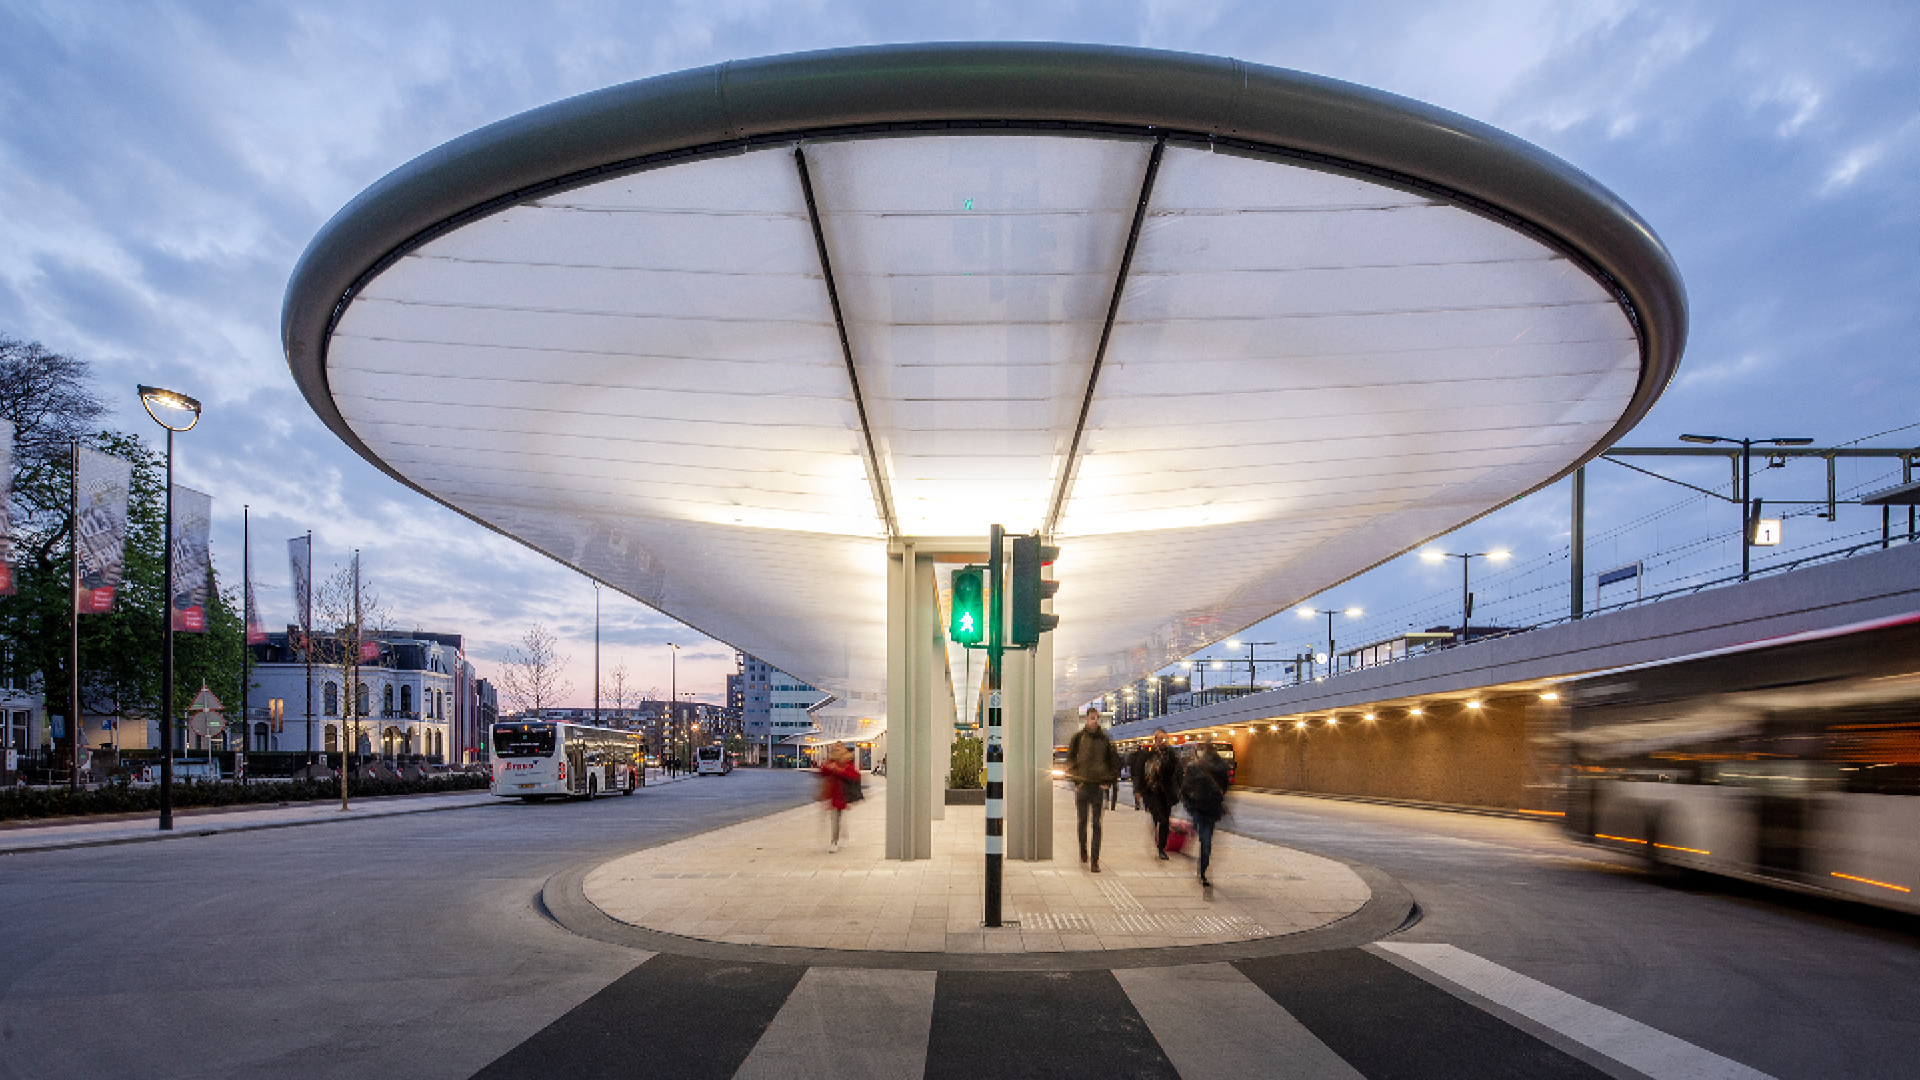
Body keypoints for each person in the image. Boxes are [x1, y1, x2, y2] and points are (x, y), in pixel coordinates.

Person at [1065, 705, 1120, 872]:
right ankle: (1083, 850)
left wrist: (1108, 781)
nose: (1095, 722)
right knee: (1082, 821)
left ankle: (1095, 860)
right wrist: (1076, 781)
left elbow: (1114, 762)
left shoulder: (1105, 740)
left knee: (1096, 823)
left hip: (1097, 787)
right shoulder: (1078, 738)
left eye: (1097, 718)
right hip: (1082, 787)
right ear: (1086, 719)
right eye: (1092, 718)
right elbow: (1070, 761)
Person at [1181, 744, 1231, 888]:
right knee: (1205, 839)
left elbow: (1225, 787)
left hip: (1208, 810)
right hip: (1200, 809)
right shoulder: (1195, 767)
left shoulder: (1217, 768)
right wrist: (1191, 807)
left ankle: (1202, 870)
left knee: (1206, 841)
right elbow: (1185, 790)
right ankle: (1202, 870)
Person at [1130, 728, 1181, 859]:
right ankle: (1157, 831)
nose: (1162, 741)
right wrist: (1137, 790)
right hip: (1151, 792)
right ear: (1155, 740)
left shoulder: (1170, 754)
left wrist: (1161, 770)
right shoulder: (1147, 754)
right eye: (1159, 739)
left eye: (1164, 739)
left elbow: (1175, 772)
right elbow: (1138, 773)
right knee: (1159, 817)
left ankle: (1161, 848)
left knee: (1164, 821)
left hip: (1166, 792)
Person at [817, 742, 860, 853]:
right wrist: (827, 768)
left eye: (838, 748)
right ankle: (836, 840)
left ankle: (838, 839)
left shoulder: (846, 762)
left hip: (843, 794)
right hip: (832, 794)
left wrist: (839, 770)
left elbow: (854, 775)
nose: (836, 750)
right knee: (836, 819)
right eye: (834, 748)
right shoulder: (830, 761)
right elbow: (823, 773)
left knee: (838, 819)